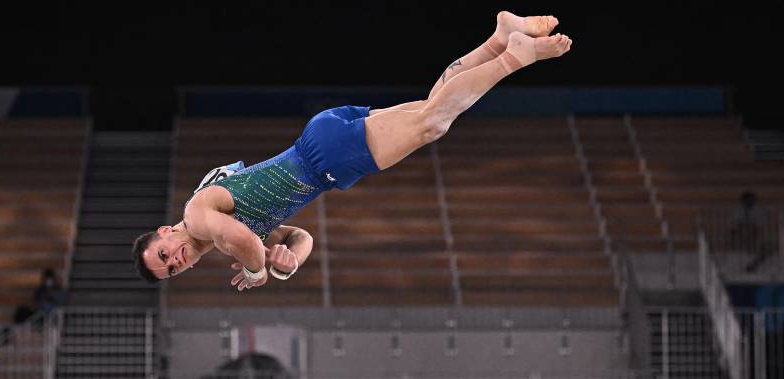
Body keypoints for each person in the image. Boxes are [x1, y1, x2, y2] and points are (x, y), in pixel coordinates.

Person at [132, 12, 572, 289]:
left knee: (432, 124)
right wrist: (286, 263)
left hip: (323, 158)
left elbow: (243, 240)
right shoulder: (215, 229)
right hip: (321, 142)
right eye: (171, 270)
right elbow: (298, 238)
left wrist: (256, 272)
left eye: (165, 254)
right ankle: (499, 39)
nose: (176, 261)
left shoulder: (197, 217)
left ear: (166, 231)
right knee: (430, 106)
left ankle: (514, 56)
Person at [728, 190, 769, 273]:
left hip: (753, 233)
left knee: (762, 248)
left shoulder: (758, 210)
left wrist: (752, 229)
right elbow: (733, 225)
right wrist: (740, 229)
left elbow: (760, 225)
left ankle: (752, 264)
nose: (749, 202)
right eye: (747, 201)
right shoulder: (737, 210)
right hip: (738, 233)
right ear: (743, 201)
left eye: (751, 200)